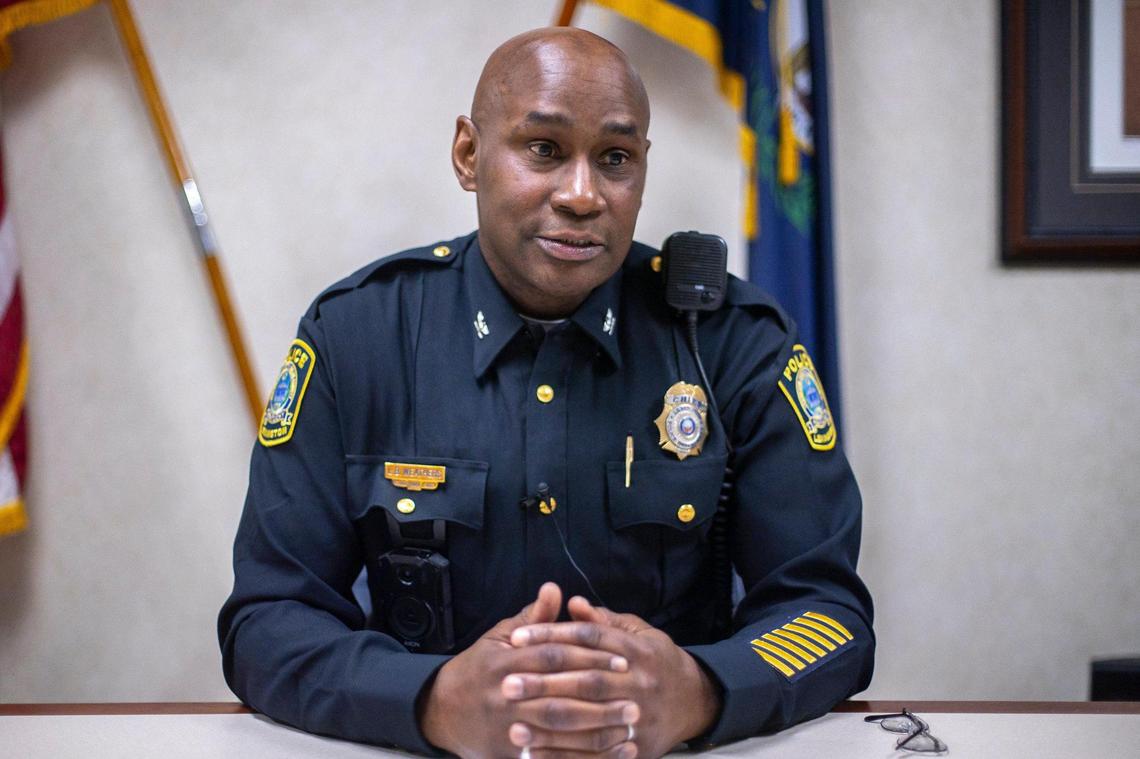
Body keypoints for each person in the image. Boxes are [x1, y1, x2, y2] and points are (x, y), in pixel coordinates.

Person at [219, 26, 873, 759]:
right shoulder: (358, 337)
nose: (583, 194)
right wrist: (430, 700)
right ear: (469, 155)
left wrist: (699, 689)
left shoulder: (733, 342)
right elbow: (268, 621)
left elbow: (826, 610)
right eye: (544, 150)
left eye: (616, 159)